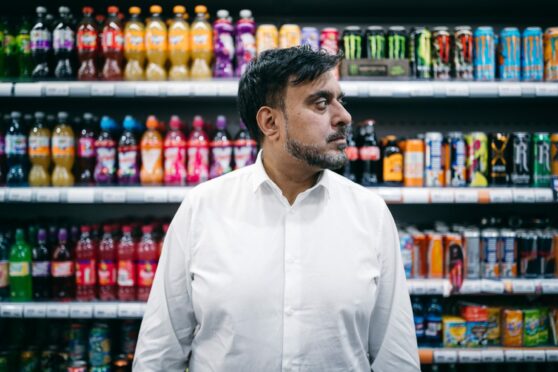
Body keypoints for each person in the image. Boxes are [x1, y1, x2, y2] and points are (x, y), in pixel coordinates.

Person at [133, 46, 420, 371]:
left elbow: (395, 359)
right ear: (270, 122)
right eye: (321, 103)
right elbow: (159, 354)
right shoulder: (203, 208)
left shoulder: (371, 213)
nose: (344, 117)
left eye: (341, 100)